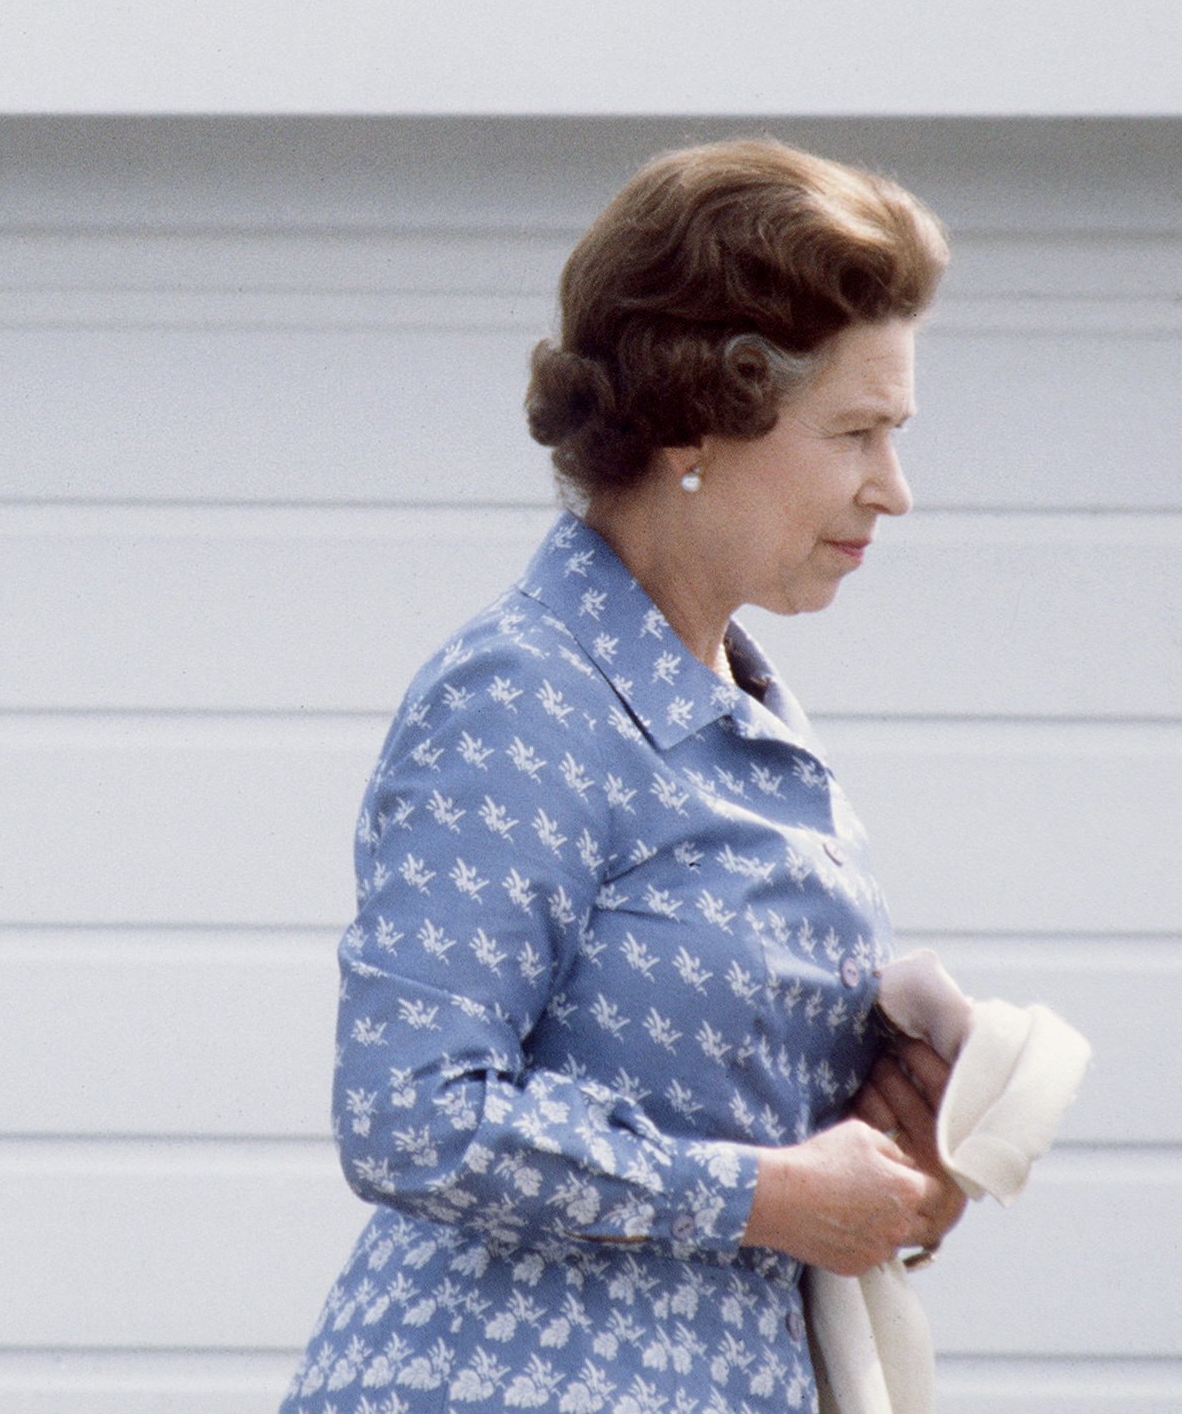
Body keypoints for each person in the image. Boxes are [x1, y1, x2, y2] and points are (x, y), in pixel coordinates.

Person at [280, 139, 968, 1414]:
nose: (895, 489)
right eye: (857, 431)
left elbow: (730, 1120)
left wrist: (900, 1131)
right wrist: (766, 1194)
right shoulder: (524, 692)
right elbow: (409, 1111)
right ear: (699, 418)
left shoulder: (749, 712)